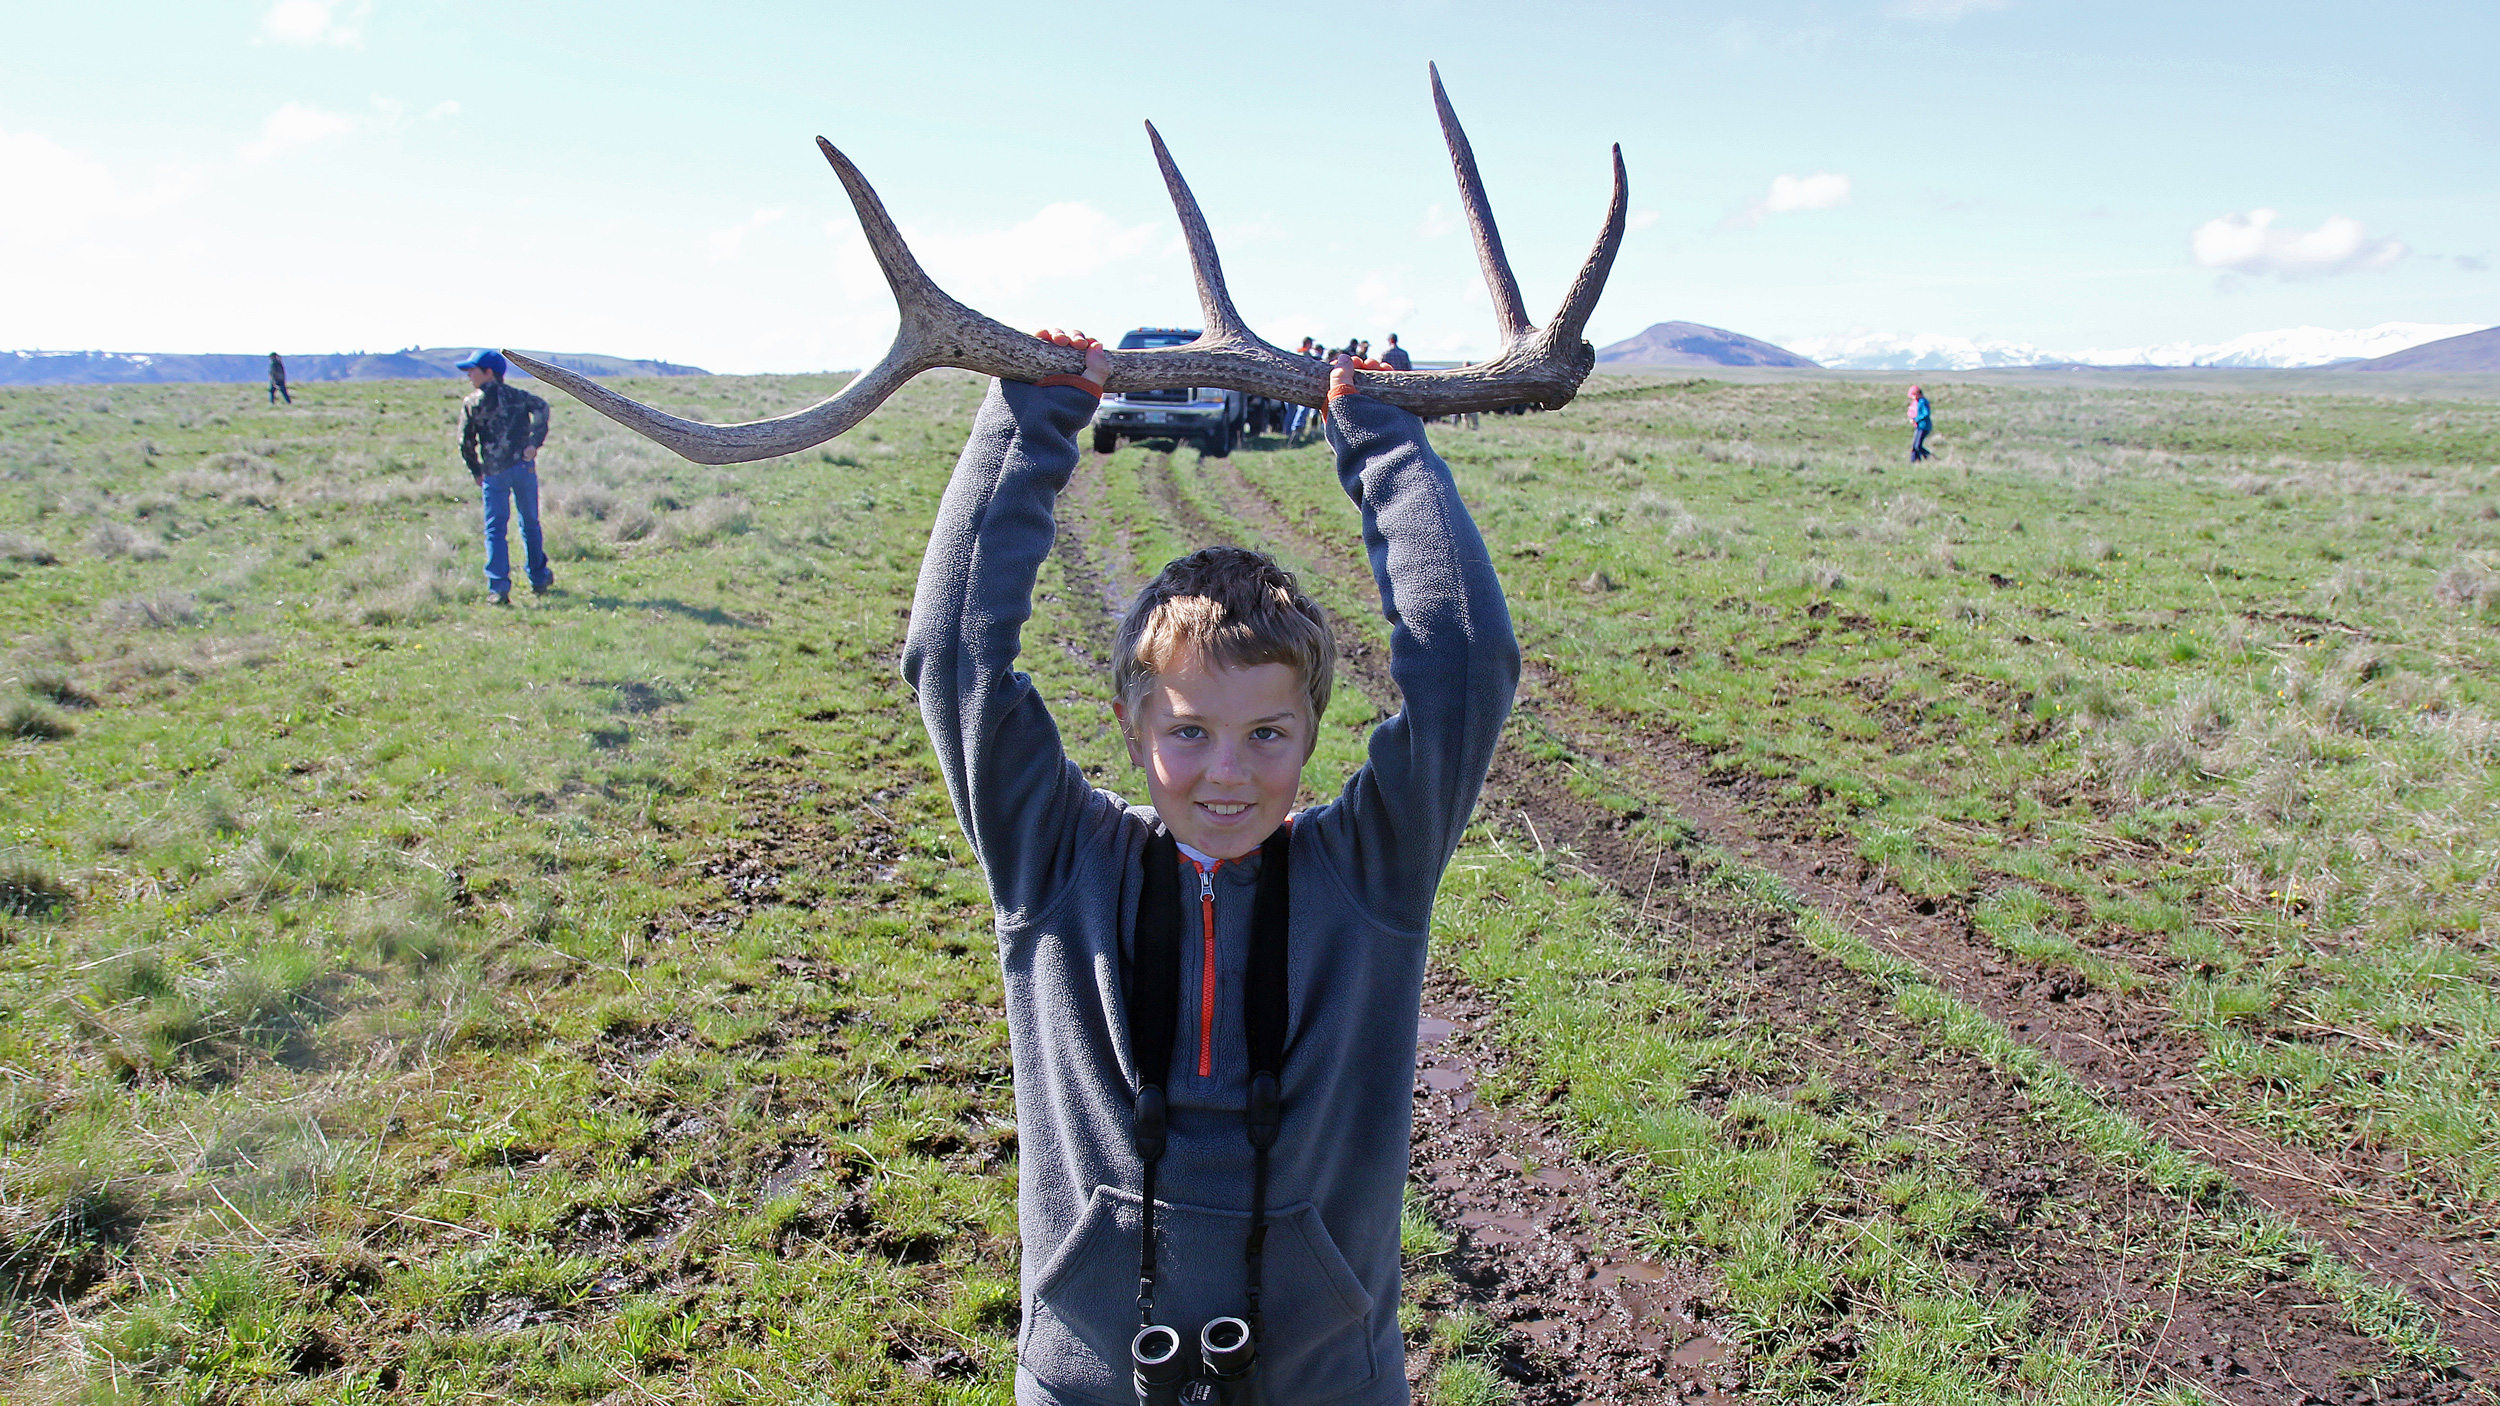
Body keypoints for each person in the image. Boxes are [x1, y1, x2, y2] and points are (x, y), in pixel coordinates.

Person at [906, 328, 1517, 1406]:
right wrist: (1033, 414)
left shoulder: (1366, 875)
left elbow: (1463, 664)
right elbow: (956, 655)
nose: (1226, 774)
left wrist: (1377, 433)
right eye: (1187, 731)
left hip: (1327, 1379)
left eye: (1268, 735)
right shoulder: (1055, 862)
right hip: (1088, 1376)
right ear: (1131, 727)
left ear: (1314, 731)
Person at [456, 349, 554, 605]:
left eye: (473, 370)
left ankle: (499, 589)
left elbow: (465, 442)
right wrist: (534, 443)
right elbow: (542, 408)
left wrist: (476, 471)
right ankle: (539, 577)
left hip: (494, 473)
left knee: (495, 529)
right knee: (530, 523)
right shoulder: (518, 397)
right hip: (523, 469)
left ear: (488, 372)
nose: (469, 375)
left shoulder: (472, 403)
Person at [1907, 384, 1933, 463]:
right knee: (1914, 446)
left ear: (1918, 393)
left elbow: (1926, 413)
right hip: (1918, 426)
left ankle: (1931, 457)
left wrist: (1916, 419)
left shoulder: (1923, 402)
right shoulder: (1917, 402)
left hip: (1924, 426)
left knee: (1918, 446)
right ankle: (1914, 462)